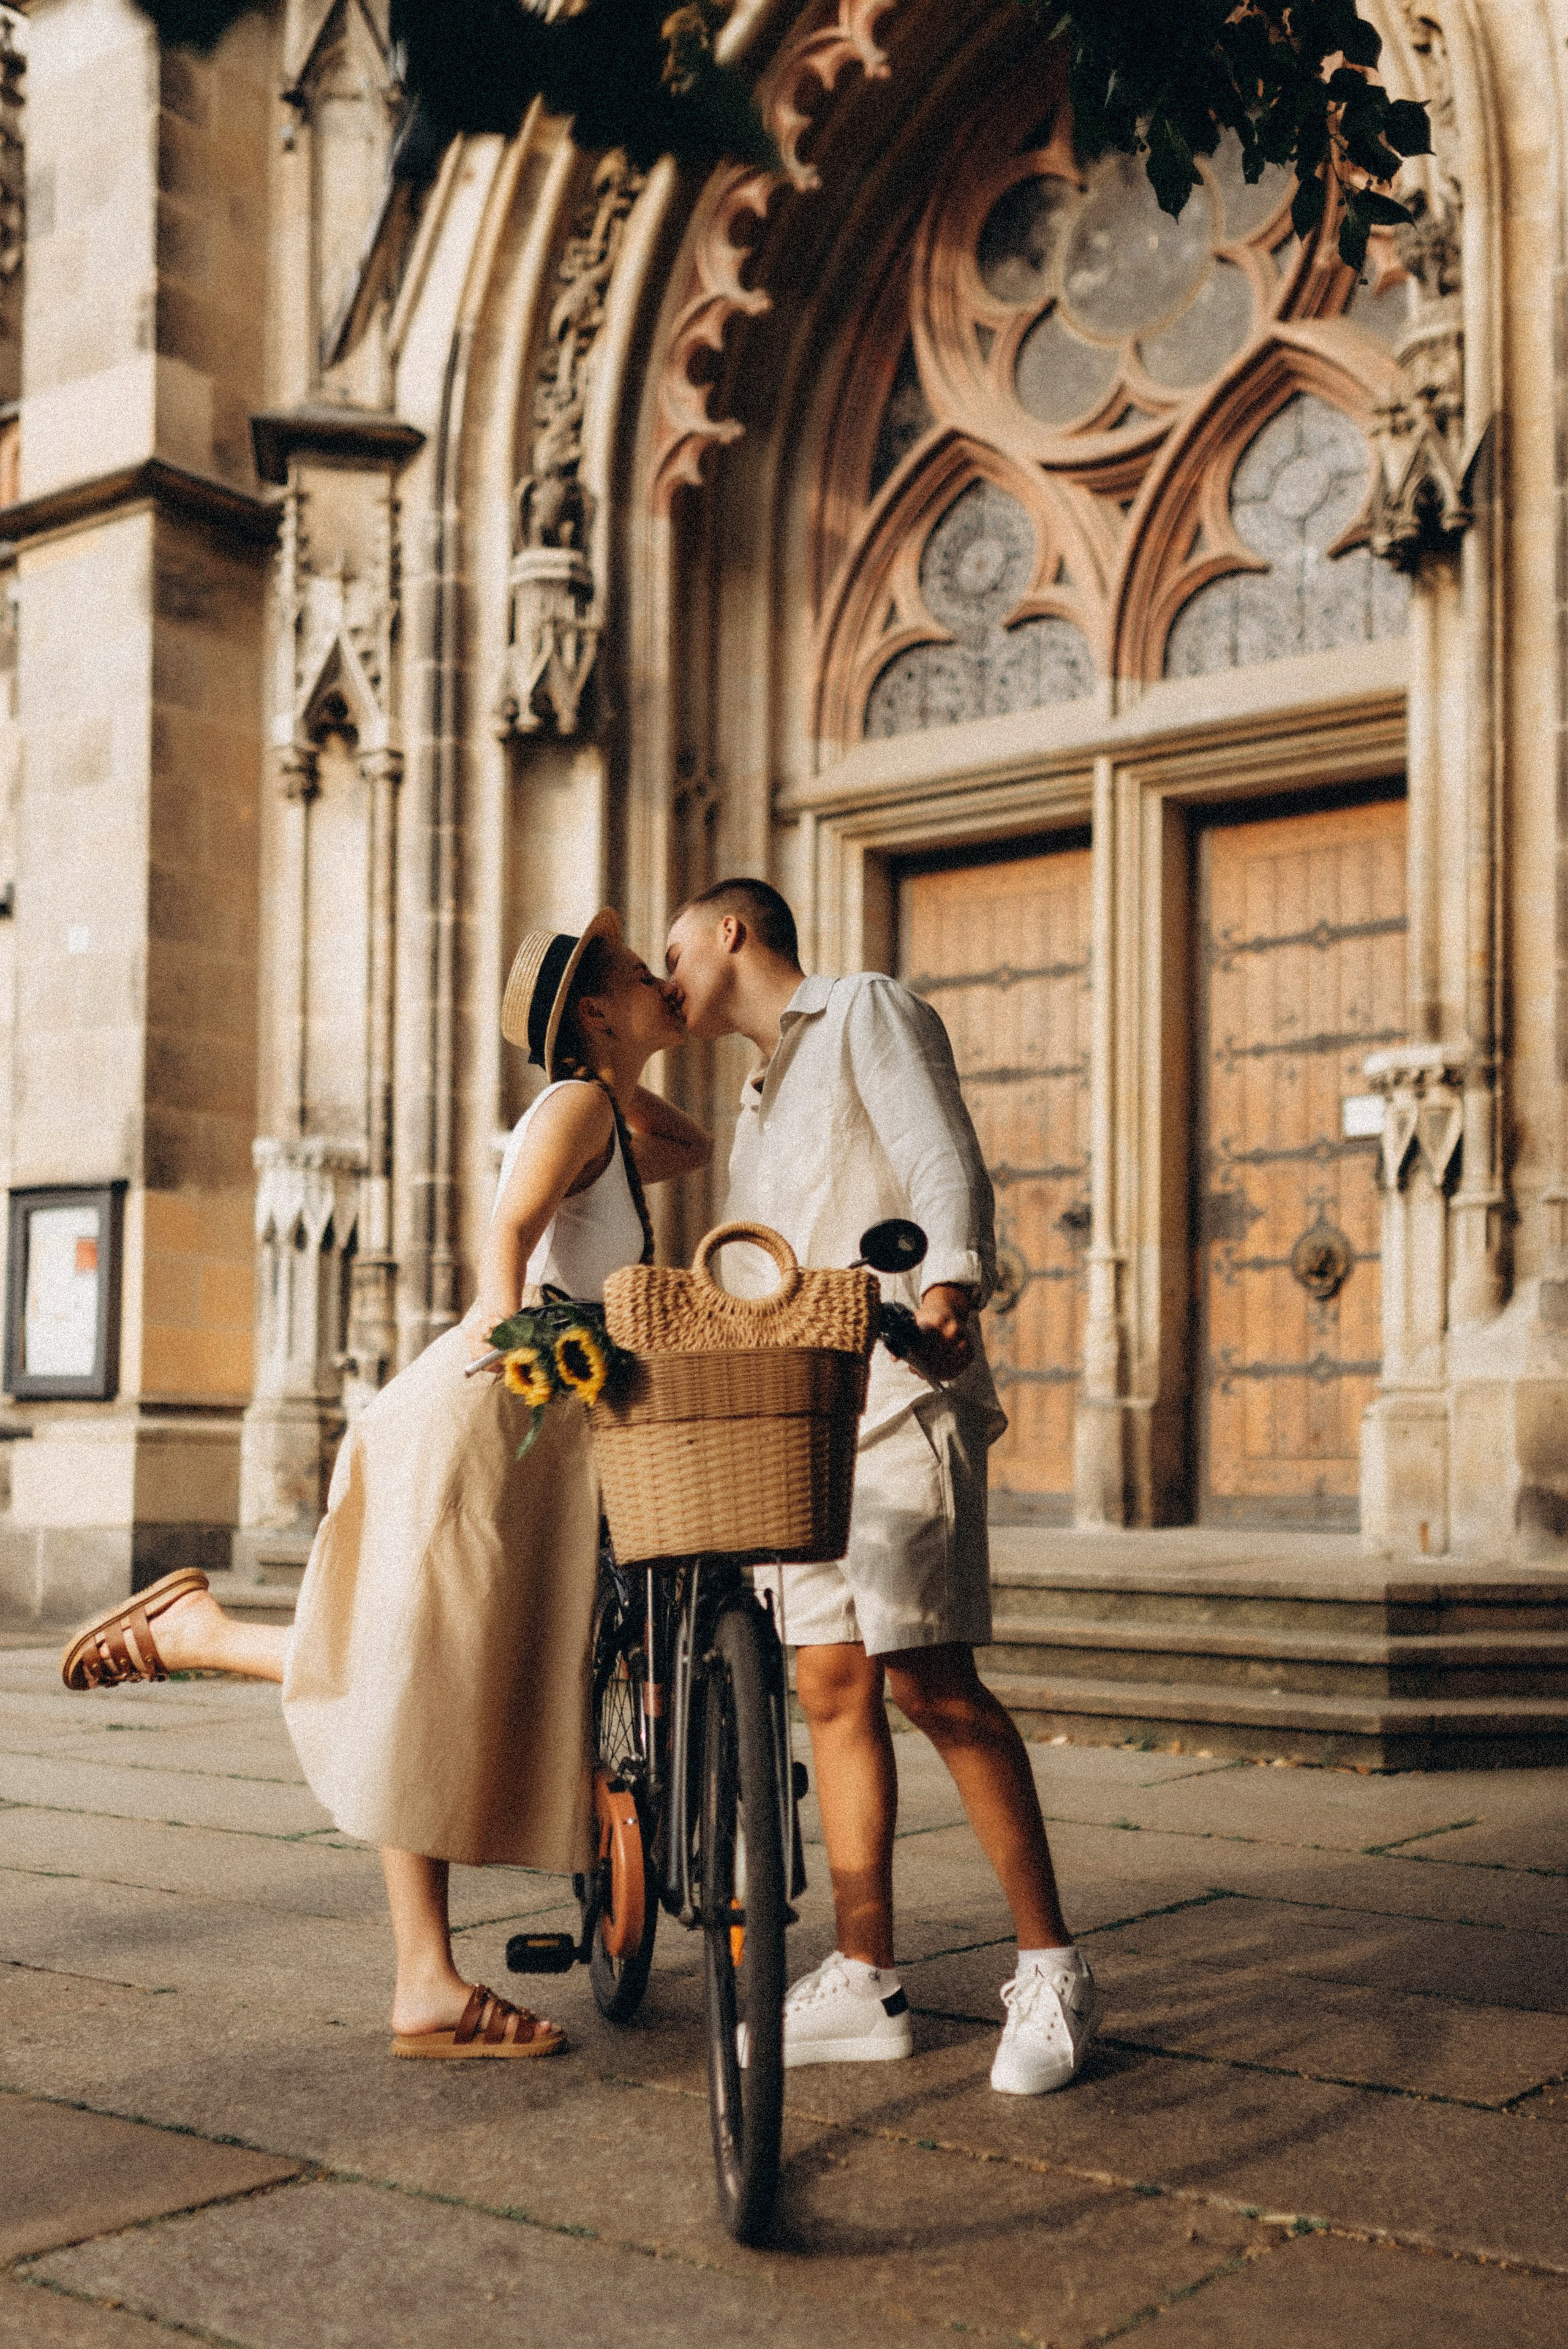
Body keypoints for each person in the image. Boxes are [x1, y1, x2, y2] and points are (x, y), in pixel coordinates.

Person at [60, 912, 709, 2062]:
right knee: (422, 1665)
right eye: (641, 974)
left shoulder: (594, 1109)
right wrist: (519, 1349)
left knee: (434, 1664)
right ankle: (202, 1639)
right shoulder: (572, 1109)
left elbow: (690, 1145)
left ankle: (205, 1643)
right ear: (597, 1012)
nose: (670, 979)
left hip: (541, 1416)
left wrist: (625, 1051)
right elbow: (506, 1232)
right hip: (499, 1410)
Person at [664, 877, 1099, 2096]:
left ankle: (1052, 1969)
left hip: (901, 1393)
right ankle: (867, 1979)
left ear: (733, 931)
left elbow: (933, 1151)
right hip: (800, 1418)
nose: (668, 974)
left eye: (675, 950)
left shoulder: (859, 1008)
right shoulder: (753, 1099)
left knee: (930, 1680)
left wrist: (949, 1286)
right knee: (828, 1685)